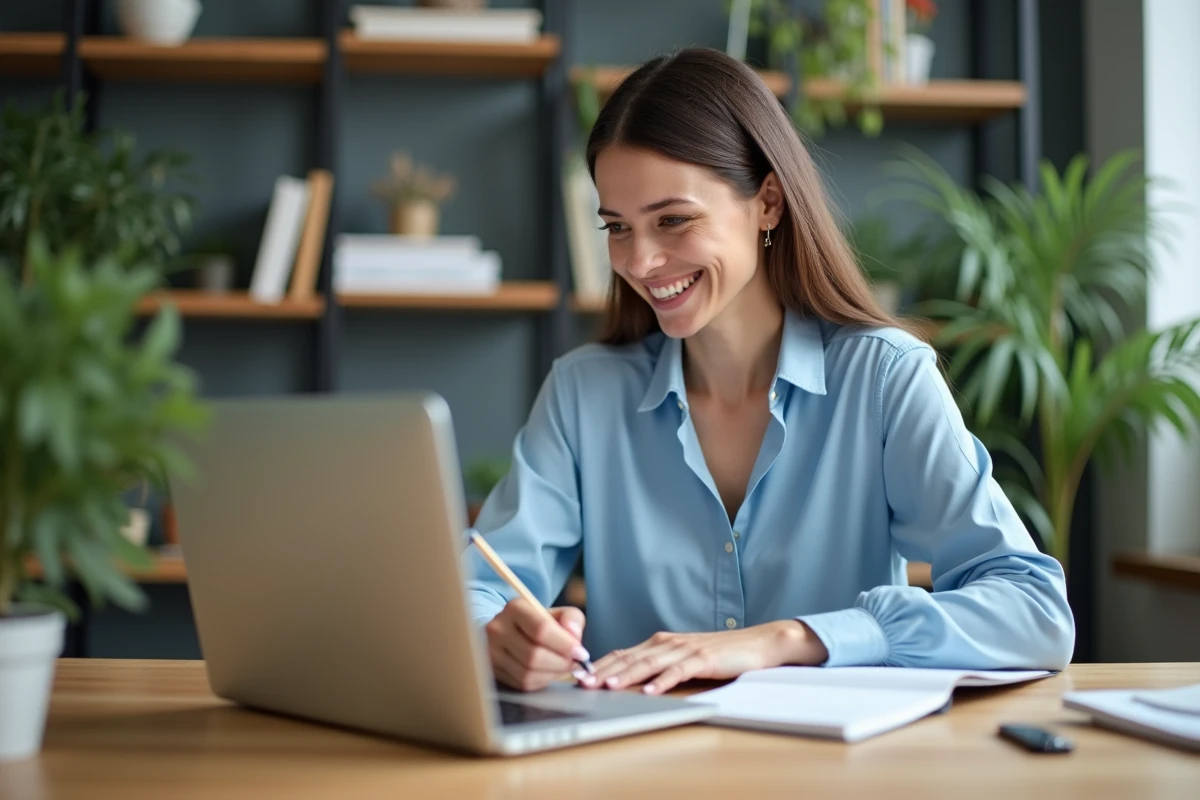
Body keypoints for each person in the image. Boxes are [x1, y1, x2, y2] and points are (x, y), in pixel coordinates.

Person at [464, 47, 1074, 695]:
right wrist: (495, 636)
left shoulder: (883, 379)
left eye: (673, 220)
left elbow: (1034, 611)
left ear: (769, 203)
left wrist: (793, 638)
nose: (640, 261)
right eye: (618, 227)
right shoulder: (583, 394)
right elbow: (477, 586)